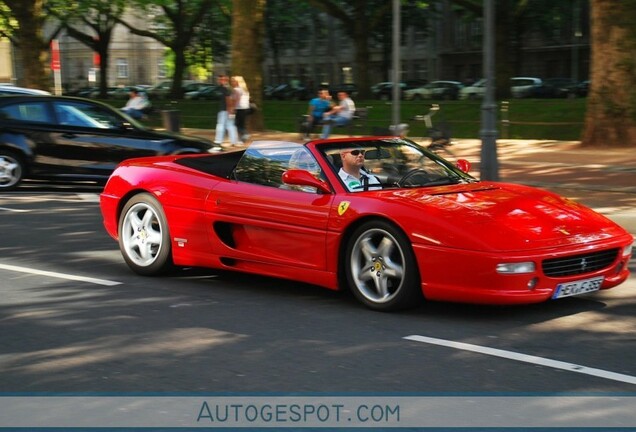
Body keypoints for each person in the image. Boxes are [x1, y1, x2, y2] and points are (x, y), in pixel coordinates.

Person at [214, 74, 238, 149]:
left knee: (220, 125)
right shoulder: (227, 88)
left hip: (225, 110)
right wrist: (232, 109)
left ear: (224, 80)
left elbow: (229, 99)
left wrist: (230, 110)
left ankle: (218, 141)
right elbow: (234, 98)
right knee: (230, 126)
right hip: (227, 110)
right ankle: (234, 141)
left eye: (220, 79)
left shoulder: (225, 88)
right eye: (218, 79)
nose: (218, 81)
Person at [231, 76, 251, 143]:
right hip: (245, 108)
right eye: (232, 81)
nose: (232, 82)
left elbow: (236, 100)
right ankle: (242, 139)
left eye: (233, 81)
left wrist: (232, 108)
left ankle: (245, 135)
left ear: (237, 82)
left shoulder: (236, 89)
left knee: (236, 125)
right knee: (241, 124)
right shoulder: (245, 90)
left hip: (239, 108)